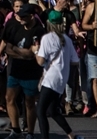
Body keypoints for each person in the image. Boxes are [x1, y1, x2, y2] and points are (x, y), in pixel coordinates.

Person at [33, 10, 80, 139]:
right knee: (52, 110)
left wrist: (35, 51)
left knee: (40, 111)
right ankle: (71, 135)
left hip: (50, 78)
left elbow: (40, 61)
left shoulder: (47, 38)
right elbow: (75, 61)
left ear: (48, 23)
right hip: (62, 78)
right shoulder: (67, 39)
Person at [2, 4, 45, 137]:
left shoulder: (39, 31)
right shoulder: (16, 27)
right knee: (9, 98)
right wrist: (21, 52)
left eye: (23, 17)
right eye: (19, 16)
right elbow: (8, 49)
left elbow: (32, 54)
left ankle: (30, 132)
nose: (20, 19)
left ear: (31, 16)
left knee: (29, 102)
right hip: (16, 70)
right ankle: (15, 129)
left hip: (31, 72)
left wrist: (17, 50)